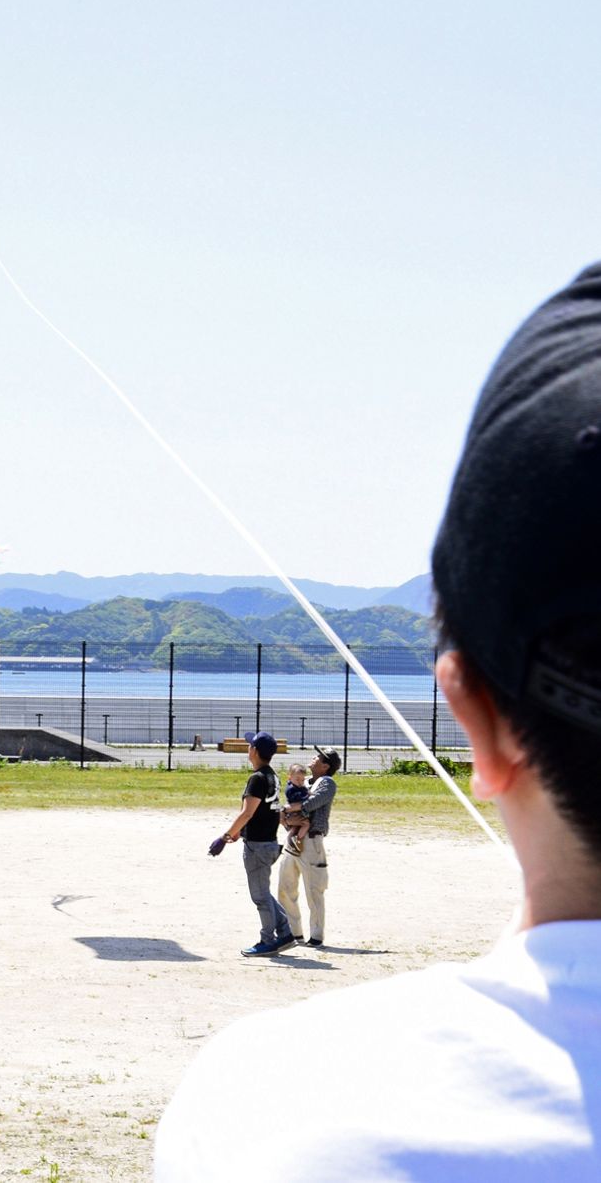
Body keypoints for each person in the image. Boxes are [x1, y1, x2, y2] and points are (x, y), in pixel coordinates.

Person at [156, 264, 601, 1181]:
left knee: (292, 896)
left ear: (473, 716)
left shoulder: (272, 1109)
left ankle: (286, 932)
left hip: (298, 859)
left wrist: (258, 817)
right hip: (294, 847)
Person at [209, 730, 294, 957]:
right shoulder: (272, 776)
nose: (248, 749)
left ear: (254, 751)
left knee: (260, 896)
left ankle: (269, 940)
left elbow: (247, 813)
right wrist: (239, 833)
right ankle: (286, 932)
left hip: (257, 846)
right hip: (267, 842)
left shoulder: (256, 778)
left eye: (250, 746)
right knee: (263, 892)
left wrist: (225, 837)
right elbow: (265, 811)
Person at [276, 745, 340, 946]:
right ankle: (294, 933)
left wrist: (288, 810)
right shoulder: (301, 783)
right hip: (293, 839)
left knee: (314, 890)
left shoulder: (326, 782)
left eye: (318, 757)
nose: (313, 758)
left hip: (311, 841)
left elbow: (311, 804)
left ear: (325, 765)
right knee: (285, 888)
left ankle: (316, 936)